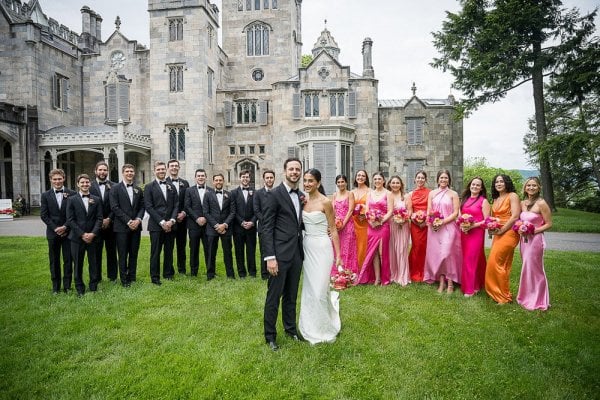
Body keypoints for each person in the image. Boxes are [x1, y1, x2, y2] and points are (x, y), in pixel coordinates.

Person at [261, 157, 304, 351]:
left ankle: (290, 330)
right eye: (291, 169)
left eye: (297, 169)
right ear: (284, 171)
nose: (294, 172)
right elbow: (266, 228)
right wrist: (270, 257)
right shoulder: (274, 195)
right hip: (278, 255)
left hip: (296, 254)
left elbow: (297, 223)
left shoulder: (301, 195)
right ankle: (270, 336)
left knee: (291, 295)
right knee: (274, 296)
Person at [298, 169, 342, 344]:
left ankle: (325, 326)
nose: (307, 184)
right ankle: (309, 324)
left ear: (318, 182)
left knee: (320, 289)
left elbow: (333, 229)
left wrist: (338, 255)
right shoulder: (302, 200)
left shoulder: (326, 202)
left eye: (311, 181)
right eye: (305, 180)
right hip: (307, 247)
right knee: (310, 288)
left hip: (323, 248)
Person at [516, 177, 552, 311]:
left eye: (534, 185)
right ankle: (526, 296)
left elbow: (549, 224)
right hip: (524, 241)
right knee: (526, 267)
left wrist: (534, 231)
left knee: (535, 269)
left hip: (536, 240)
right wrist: (519, 228)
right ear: (525, 188)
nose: (531, 188)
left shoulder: (541, 203)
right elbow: (519, 220)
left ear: (539, 188)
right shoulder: (522, 203)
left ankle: (539, 299)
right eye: (528, 185)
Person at [424, 169, 462, 293]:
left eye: (446, 178)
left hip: (449, 227)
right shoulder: (432, 193)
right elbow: (429, 210)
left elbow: (455, 213)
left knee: (447, 254)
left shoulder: (453, 194)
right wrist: (432, 222)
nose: (443, 180)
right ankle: (441, 281)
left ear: (449, 180)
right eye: (441, 178)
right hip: (435, 228)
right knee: (438, 255)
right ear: (438, 179)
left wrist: (442, 222)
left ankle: (450, 282)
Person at [485, 174, 521, 304]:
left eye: (501, 181)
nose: (499, 184)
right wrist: (491, 228)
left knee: (496, 262)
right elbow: (492, 217)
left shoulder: (513, 196)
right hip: (498, 233)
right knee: (500, 263)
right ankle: (498, 292)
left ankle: (503, 297)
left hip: (509, 232)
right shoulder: (495, 199)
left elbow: (515, 216)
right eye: (496, 182)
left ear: (507, 183)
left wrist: (502, 230)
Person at [40, 168, 76, 293]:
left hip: (68, 233)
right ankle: (55, 287)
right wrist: (55, 228)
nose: (57, 181)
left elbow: (74, 214)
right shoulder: (45, 195)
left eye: (59, 179)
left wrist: (65, 227)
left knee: (68, 260)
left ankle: (67, 286)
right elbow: (44, 215)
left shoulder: (72, 193)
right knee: (54, 260)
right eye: (54, 179)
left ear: (64, 179)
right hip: (53, 233)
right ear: (50, 180)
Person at [66, 174, 103, 296]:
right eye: (82, 182)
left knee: (94, 263)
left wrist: (93, 233)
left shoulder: (96, 199)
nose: (85, 184)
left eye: (87, 182)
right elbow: (70, 219)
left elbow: (99, 218)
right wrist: (82, 234)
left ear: (90, 184)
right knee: (78, 264)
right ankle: (80, 288)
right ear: (78, 184)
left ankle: (93, 287)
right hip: (77, 238)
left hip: (93, 237)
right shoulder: (71, 199)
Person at [109, 164, 145, 287]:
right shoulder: (115, 189)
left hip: (136, 227)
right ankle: (124, 280)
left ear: (134, 173)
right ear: (123, 173)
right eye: (127, 171)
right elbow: (114, 207)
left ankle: (132, 277)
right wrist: (129, 221)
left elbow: (142, 207)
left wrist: (138, 220)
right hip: (121, 227)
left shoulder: (138, 189)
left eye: (131, 171)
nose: (129, 173)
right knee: (123, 254)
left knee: (134, 253)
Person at [144, 161, 178, 285]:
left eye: (163, 169)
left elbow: (176, 204)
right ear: (154, 171)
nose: (161, 171)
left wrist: (172, 220)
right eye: (158, 169)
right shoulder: (149, 187)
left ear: (166, 170)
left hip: (170, 225)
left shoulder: (171, 186)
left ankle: (168, 274)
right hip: (156, 225)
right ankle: (155, 277)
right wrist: (162, 222)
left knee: (169, 251)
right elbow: (149, 206)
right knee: (155, 252)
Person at [357, 171, 393, 286]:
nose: (377, 181)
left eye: (379, 179)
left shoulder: (388, 194)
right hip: (371, 226)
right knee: (374, 253)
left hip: (384, 225)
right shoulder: (370, 194)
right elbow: (367, 211)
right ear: (373, 181)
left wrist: (380, 221)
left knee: (383, 252)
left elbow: (390, 211)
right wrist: (371, 221)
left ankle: (385, 278)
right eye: (375, 179)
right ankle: (377, 278)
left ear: (383, 181)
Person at [459, 177, 490, 297]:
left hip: (476, 233)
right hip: (465, 233)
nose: (475, 187)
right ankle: (477, 284)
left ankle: (469, 289)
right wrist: (462, 224)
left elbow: (487, 221)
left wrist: (473, 226)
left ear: (481, 188)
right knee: (472, 258)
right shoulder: (465, 199)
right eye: (473, 184)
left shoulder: (483, 201)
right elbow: (461, 216)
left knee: (470, 259)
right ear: (470, 185)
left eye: (478, 185)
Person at [203, 173, 236, 279]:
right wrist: (216, 225)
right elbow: (206, 212)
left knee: (228, 252)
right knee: (211, 253)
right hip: (212, 229)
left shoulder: (229, 194)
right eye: (216, 180)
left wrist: (225, 224)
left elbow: (232, 212)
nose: (218, 182)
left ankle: (230, 275)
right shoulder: (207, 195)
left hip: (226, 228)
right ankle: (210, 275)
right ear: (213, 182)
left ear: (223, 181)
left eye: (220, 180)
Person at [89, 161, 118, 282]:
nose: (102, 172)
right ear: (95, 171)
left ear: (108, 171)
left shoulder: (115, 186)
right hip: (95, 225)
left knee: (112, 251)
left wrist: (109, 218)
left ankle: (113, 276)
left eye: (105, 170)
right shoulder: (89, 186)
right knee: (96, 252)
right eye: (100, 170)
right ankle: (97, 277)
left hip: (111, 224)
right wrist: (100, 220)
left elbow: (116, 205)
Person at [184, 169, 213, 278]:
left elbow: (213, 207)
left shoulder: (211, 190)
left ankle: (210, 272)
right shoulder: (189, 190)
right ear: (195, 177)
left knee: (208, 249)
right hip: (193, 224)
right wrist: (197, 218)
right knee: (194, 249)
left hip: (208, 225)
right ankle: (193, 272)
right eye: (198, 176)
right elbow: (187, 206)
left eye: (202, 176)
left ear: (206, 177)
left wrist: (206, 218)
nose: (200, 177)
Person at [230, 169, 257, 278]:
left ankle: (252, 272)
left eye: (247, 177)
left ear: (250, 178)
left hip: (251, 227)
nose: (245, 179)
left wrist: (252, 222)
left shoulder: (255, 192)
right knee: (239, 251)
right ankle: (241, 273)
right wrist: (241, 222)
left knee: (251, 250)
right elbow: (233, 210)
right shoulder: (233, 193)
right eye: (243, 177)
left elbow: (257, 210)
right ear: (239, 178)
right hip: (238, 227)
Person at [330, 174, 358, 277]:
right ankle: (338, 271)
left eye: (342, 182)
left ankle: (348, 271)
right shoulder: (334, 195)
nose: (340, 184)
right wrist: (335, 222)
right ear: (336, 183)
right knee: (337, 247)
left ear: (346, 183)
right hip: (337, 225)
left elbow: (350, 210)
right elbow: (333, 210)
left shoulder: (350, 194)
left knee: (348, 247)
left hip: (347, 224)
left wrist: (343, 224)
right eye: (338, 182)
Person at [166, 159, 189, 275]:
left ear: (179, 168)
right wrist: (172, 217)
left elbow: (188, 200)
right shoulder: (164, 182)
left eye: (176, 166)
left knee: (181, 245)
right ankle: (169, 270)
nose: (174, 167)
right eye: (172, 166)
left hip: (182, 220)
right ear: (168, 168)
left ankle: (182, 269)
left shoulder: (185, 183)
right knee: (169, 246)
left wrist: (184, 213)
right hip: (169, 220)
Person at [388, 175, 411, 286]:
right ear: (389, 184)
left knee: (402, 250)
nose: (395, 185)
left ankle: (403, 275)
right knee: (392, 249)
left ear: (401, 184)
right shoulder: (388, 196)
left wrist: (404, 219)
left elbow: (410, 211)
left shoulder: (406, 196)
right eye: (393, 183)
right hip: (391, 225)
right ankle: (393, 274)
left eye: (397, 183)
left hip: (403, 226)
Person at [408, 170, 430, 282]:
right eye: (418, 178)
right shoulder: (410, 194)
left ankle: (426, 271)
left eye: (422, 178)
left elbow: (431, 209)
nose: (420, 180)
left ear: (425, 180)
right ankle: (415, 271)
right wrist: (417, 221)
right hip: (415, 225)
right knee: (417, 246)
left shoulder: (430, 193)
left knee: (426, 247)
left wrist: (425, 222)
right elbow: (410, 211)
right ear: (415, 179)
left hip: (427, 224)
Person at [254, 169, 275, 280]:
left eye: (271, 177)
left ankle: (275, 271)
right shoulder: (258, 193)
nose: (269, 180)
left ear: (274, 179)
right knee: (264, 250)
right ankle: (264, 273)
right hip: (263, 227)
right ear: (264, 179)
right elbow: (256, 210)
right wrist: (266, 221)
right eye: (267, 178)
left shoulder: (277, 192)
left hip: (276, 227)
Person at [351, 170, 370, 269]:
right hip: (353, 222)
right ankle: (354, 269)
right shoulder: (351, 192)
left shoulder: (370, 192)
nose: (360, 177)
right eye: (358, 175)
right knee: (354, 246)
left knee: (364, 246)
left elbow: (373, 207)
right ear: (355, 177)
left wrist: (366, 214)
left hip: (365, 223)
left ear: (366, 178)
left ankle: (364, 269)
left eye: (363, 176)